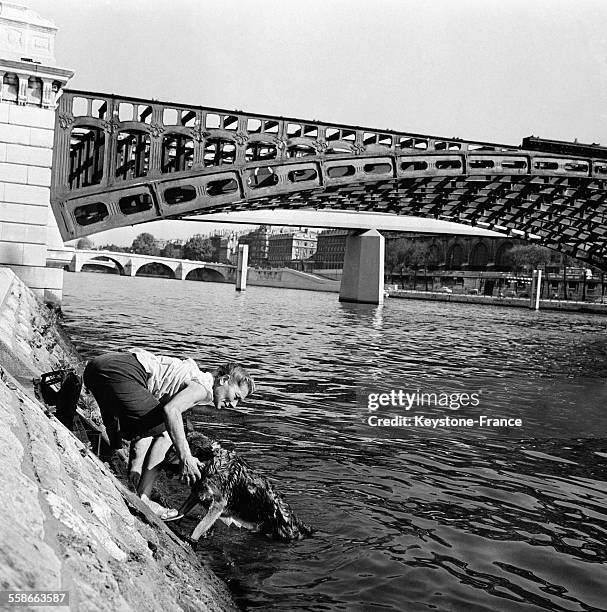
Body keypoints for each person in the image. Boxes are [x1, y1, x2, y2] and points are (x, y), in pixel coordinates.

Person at [83, 348, 255, 519]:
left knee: (154, 428)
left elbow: (147, 432)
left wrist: (135, 470)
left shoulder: (194, 378)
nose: (234, 405)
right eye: (236, 397)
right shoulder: (203, 387)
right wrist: (185, 456)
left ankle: (130, 480)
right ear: (224, 380)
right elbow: (170, 411)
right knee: (168, 431)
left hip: (97, 367)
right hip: (120, 373)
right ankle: (143, 498)